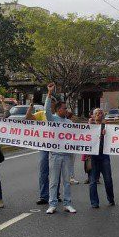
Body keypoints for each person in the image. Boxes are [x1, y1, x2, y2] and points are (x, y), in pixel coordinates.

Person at [44, 83, 76, 214]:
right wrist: (49, 94)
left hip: (67, 155)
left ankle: (67, 203)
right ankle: (52, 204)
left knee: (67, 182)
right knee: (53, 181)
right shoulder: (53, 119)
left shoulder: (70, 123)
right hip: (55, 155)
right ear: (58, 110)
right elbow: (46, 111)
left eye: (66, 108)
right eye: (64, 108)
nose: (66, 110)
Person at [27, 100, 60, 205]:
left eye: (52, 103)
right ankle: (43, 196)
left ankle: (55, 194)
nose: (50, 105)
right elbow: (28, 118)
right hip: (44, 146)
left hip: (56, 147)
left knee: (55, 171)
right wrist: (30, 107)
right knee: (43, 171)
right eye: (48, 103)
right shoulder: (41, 114)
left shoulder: (57, 116)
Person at [88, 108, 114, 208]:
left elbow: (112, 139)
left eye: (100, 113)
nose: (99, 115)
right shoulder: (90, 127)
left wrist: (106, 134)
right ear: (93, 116)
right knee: (93, 181)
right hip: (93, 156)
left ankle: (111, 199)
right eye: (96, 113)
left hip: (104, 156)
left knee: (108, 179)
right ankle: (94, 202)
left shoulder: (106, 127)